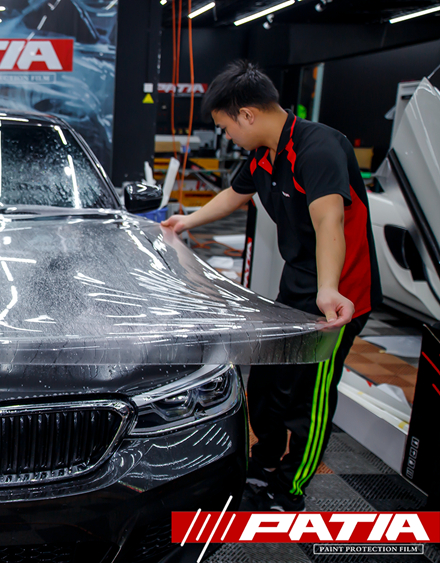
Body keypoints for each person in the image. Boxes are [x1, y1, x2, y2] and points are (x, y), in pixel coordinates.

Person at [161, 60, 380, 512]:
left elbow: (330, 221)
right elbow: (235, 194)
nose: (227, 136)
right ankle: (262, 463)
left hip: (339, 295)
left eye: (226, 127)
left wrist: (328, 289)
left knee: (308, 397)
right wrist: (187, 221)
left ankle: (290, 487)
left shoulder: (318, 148)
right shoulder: (264, 153)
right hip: (298, 285)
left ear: (247, 115)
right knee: (268, 383)